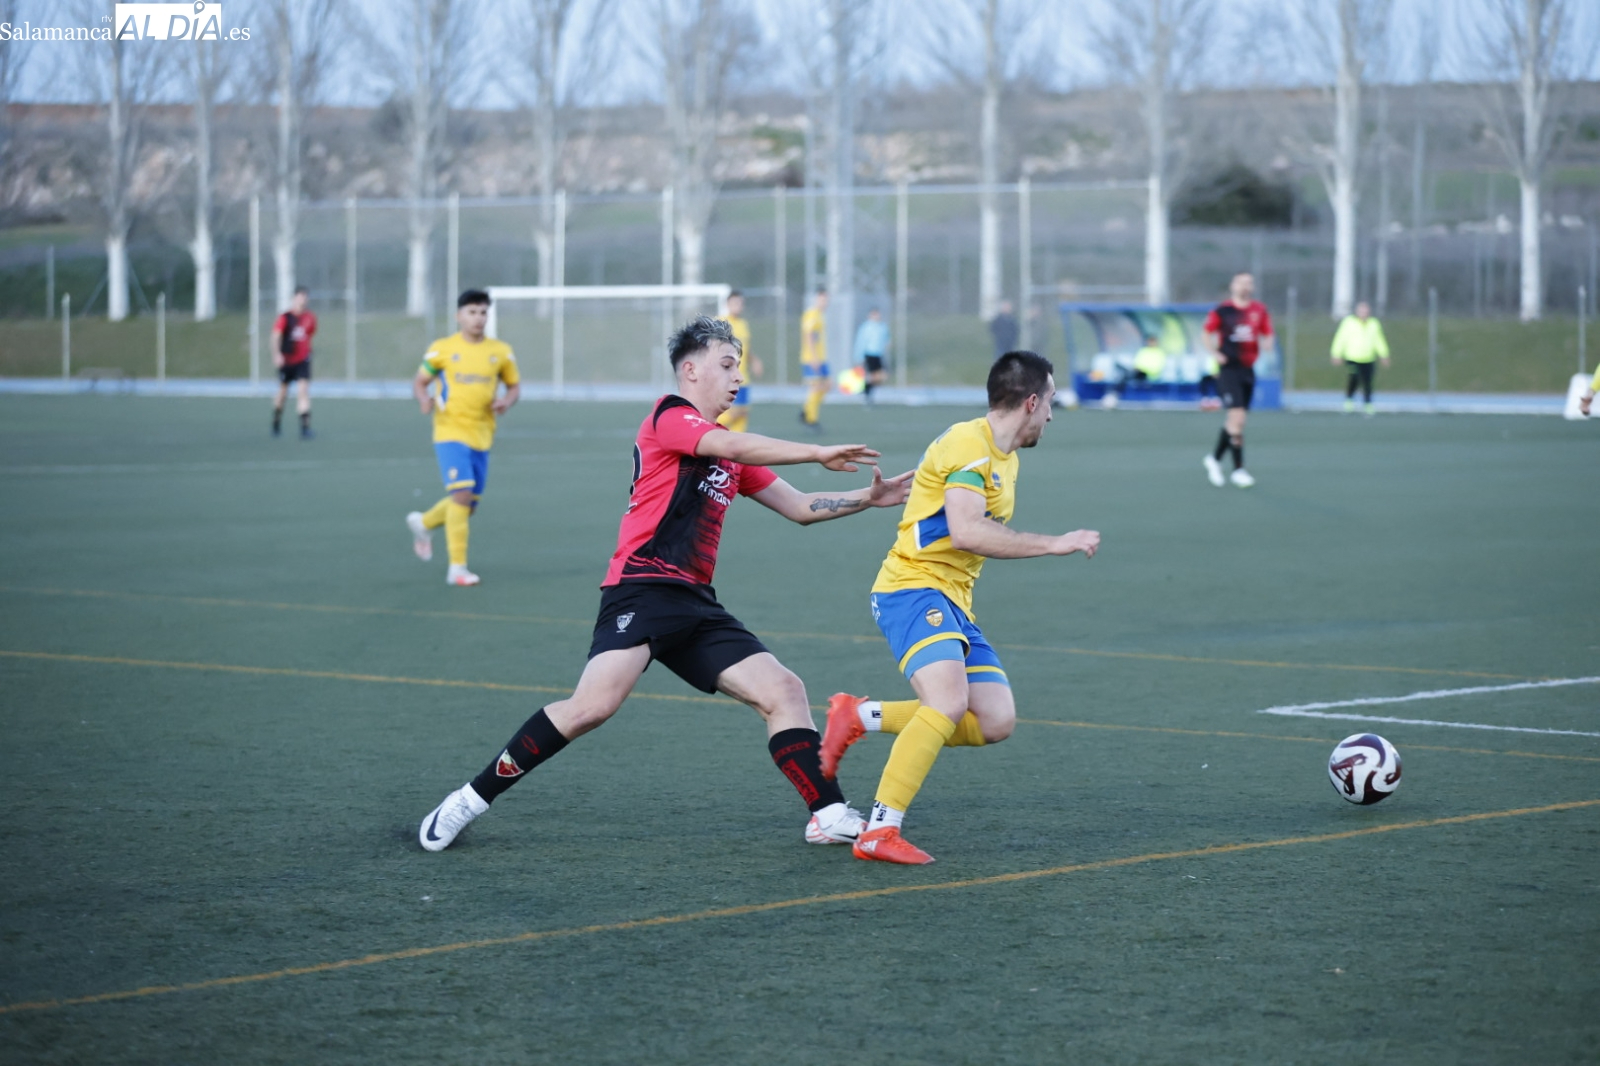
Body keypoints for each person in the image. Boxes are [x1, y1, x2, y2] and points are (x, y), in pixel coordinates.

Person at [418, 316, 913, 853]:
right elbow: (738, 446)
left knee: (784, 691)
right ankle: (468, 799)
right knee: (592, 707)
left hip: (696, 601)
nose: (736, 378)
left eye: (739, 368)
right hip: (643, 587)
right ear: (690, 369)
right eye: (727, 366)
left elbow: (798, 506)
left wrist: (868, 499)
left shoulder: (724, 448)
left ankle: (828, 813)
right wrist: (816, 451)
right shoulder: (669, 416)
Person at [819, 350, 1101, 865]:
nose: (1052, 416)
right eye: (1051, 403)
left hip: (952, 600)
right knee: (947, 703)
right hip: (911, 588)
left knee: (994, 719)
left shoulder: (1004, 456)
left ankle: (859, 714)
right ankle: (880, 830)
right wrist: (1054, 543)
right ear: (1031, 401)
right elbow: (968, 530)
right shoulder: (968, 445)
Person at [404, 290, 521, 587]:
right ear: (459, 315)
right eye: (472, 312)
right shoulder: (443, 349)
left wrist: (506, 401)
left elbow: (513, 386)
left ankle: (424, 522)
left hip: (483, 434)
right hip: (449, 431)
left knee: (469, 505)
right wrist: (423, 399)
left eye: (483, 312)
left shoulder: (500, 351)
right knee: (461, 495)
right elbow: (421, 381)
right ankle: (457, 568)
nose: (478, 318)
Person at [1200, 273, 1274, 489]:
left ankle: (1214, 459)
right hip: (1228, 371)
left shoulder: (1259, 310)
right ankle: (1238, 469)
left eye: (1249, 283)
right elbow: (1206, 333)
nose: (1246, 286)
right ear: (1233, 286)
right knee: (1237, 416)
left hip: (1247, 370)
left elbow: (1267, 332)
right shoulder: (1222, 310)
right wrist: (1214, 353)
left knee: (1236, 422)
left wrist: (1268, 343)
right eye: (1241, 282)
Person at [271, 286, 318, 439]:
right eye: (299, 297)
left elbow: (309, 335)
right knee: (282, 393)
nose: (302, 300)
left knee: (303, 392)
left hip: (302, 360)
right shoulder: (285, 317)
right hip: (287, 360)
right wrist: (277, 354)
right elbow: (276, 336)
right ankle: (276, 421)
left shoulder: (310, 318)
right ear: (294, 298)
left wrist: (307, 351)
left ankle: (305, 428)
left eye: (305, 297)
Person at [1331, 301, 1390, 415]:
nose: (1363, 313)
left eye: (1366, 310)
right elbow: (1340, 338)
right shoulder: (1349, 323)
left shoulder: (1374, 324)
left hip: (1368, 358)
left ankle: (1368, 403)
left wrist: (1384, 355)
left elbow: (1379, 340)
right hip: (1352, 357)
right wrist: (1336, 354)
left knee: (1368, 381)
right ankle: (1349, 400)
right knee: (1354, 378)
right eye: (1361, 310)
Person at [716, 290, 762, 433]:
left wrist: (754, 361)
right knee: (733, 412)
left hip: (743, 376)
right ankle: (707, 426)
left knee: (743, 413)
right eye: (735, 303)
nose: (738, 306)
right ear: (727, 304)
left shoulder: (743, 324)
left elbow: (745, 349)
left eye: (740, 303)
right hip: (728, 377)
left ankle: (735, 451)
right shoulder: (720, 323)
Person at [799, 287, 830, 432]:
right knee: (816, 387)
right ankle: (811, 418)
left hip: (821, 358)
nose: (825, 302)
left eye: (826, 299)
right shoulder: (811, 314)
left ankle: (806, 411)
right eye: (822, 299)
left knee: (827, 385)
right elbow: (809, 336)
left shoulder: (820, 315)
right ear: (817, 299)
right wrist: (814, 358)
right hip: (812, 359)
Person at [1113, 334, 1167, 401]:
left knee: (1126, 375)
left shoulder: (1159, 353)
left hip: (1149, 375)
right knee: (1126, 374)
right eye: (1150, 341)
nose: (1151, 343)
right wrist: (1138, 368)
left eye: (1153, 341)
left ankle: (1114, 395)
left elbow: (1157, 368)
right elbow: (1136, 363)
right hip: (1138, 373)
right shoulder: (1143, 351)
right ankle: (1114, 395)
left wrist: (1143, 369)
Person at [854, 306, 890, 403]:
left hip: (879, 355)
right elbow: (860, 342)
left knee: (882, 376)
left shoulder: (883, 326)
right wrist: (859, 357)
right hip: (869, 354)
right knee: (873, 376)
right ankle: (867, 393)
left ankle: (865, 389)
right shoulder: (866, 327)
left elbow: (886, 339)